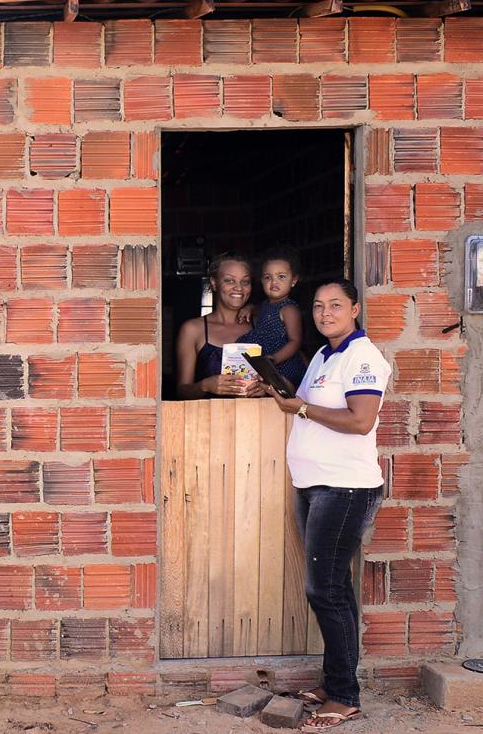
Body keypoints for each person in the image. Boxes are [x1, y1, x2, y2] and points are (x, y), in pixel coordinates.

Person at [260, 279, 391, 732]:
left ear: (355, 308)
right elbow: (308, 403)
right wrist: (281, 394)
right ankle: (336, 681)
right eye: (318, 306)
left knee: (325, 589)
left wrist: (299, 409)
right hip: (315, 485)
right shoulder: (322, 355)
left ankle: (343, 695)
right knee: (335, 588)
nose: (324, 312)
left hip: (345, 488)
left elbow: (359, 421)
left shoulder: (363, 356)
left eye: (336, 305)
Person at [174, 252, 264, 399]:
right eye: (229, 281)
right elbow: (181, 391)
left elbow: (292, 376)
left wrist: (266, 389)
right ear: (214, 283)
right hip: (208, 418)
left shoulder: (260, 324)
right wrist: (205, 386)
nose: (239, 288)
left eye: (245, 282)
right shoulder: (193, 329)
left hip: (256, 417)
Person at [238, 246, 309, 388]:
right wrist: (250, 307)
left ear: (293, 280)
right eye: (268, 277)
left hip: (283, 364)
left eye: (281, 276)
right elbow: (262, 311)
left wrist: (275, 359)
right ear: (262, 281)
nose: (274, 282)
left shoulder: (289, 309)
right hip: (267, 364)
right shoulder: (265, 305)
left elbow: (295, 341)